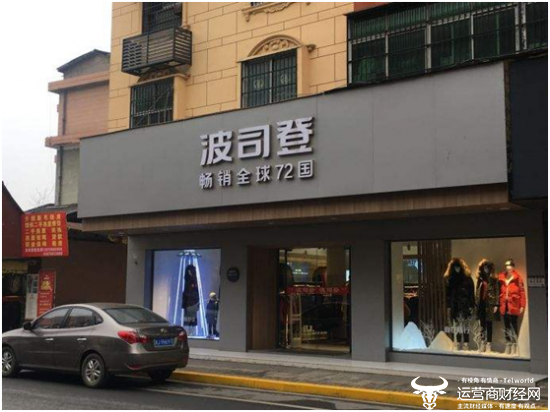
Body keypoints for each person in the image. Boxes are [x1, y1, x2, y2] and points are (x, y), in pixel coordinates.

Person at [498, 259, 526, 356]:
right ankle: (508, 344)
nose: (508, 267)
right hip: (504, 305)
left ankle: (514, 345)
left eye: (510, 265)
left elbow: (522, 292)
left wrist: (522, 305)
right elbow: (498, 291)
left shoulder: (518, 278)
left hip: (514, 305)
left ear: (513, 267)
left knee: (514, 325)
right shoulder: (501, 277)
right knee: (506, 326)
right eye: (506, 265)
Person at [475, 260, 499, 352]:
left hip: (490, 304)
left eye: (487, 268)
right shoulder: (480, 279)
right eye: (484, 268)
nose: (486, 269)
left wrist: (496, 304)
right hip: (481, 304)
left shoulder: (493, 279)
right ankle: (482, 342)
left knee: (489, 324)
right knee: (482, 324)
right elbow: (477, 291)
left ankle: (489, 344)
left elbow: (497, 291)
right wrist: (476, 303)